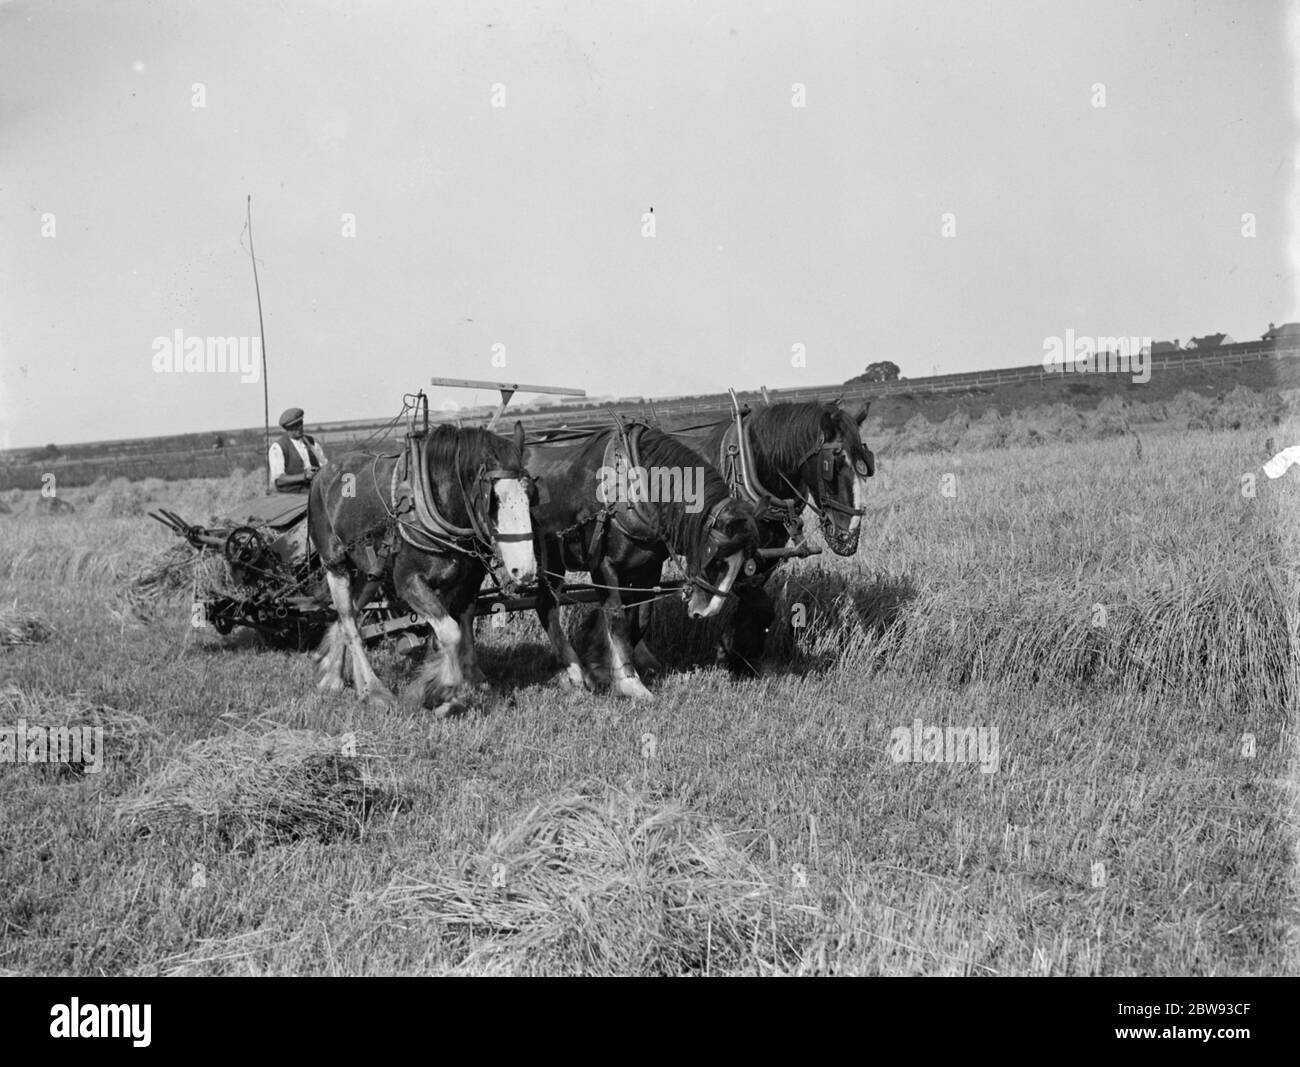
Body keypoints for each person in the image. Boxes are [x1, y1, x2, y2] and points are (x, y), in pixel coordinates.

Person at [269, 407, 327, 493]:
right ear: (287, 428)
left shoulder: (312, 442)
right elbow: (279, 479)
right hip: (292, 494)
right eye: (295, 426)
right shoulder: (278, 447)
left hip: (314, 490)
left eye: (301, 423)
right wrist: (304, 476)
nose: (300, 427)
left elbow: (324, 465)